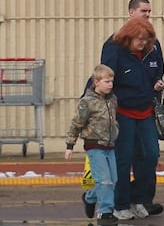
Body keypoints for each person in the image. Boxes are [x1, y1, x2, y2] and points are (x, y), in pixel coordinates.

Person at [101, 16, 164, 220]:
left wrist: (156, 84)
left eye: (146, 40)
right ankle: (120, 204)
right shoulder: (114, 50)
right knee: (123, 159)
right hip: (123, 112)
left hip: (145, 110)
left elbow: (155, 73)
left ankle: (138, 198)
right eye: (139, 39)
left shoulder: (149, 51)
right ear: (129, 37)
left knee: (150, 156)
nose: (142, 44)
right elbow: (105, 77)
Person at [66, 64, 120, 225]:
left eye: (111, 81)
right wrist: (70, 145)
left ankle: (90, 197)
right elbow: (76, 123)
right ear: (96, 82)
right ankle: (104, 212)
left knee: (113, 180)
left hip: (110, 146)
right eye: (107, 81)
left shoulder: (113, 100)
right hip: (94, 145)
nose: (110, 84)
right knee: (104, 181)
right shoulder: (87, 102)